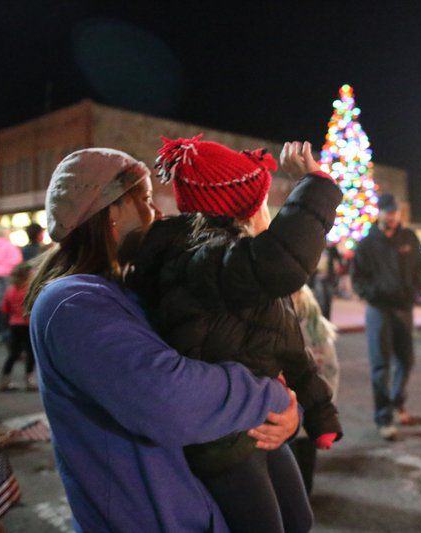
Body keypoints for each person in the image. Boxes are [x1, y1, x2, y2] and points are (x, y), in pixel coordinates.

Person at [26, 147, 300, 532]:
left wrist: (285, 413)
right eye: (144, 200)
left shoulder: (133, 289)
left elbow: (223, 351)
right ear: (107, 213)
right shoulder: (72, 303)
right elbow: (169, 398)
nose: (155, 214)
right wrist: (268, 397)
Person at [127, 136, 342, 532]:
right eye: (258, 200)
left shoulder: (240, 270)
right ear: (239, 210)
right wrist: (317, 185)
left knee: (299, 519)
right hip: (222, 438)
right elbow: (282, 262)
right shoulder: (203, 261)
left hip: (259, 421)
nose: (266, 209)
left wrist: (319, 411)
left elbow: (290, 346)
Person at [351, 193, 421, 440]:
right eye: (388, 211)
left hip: (403, 308)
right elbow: (358, 277)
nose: (392, 216)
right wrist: (371, 294)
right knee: (380, 365)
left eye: (396, 212)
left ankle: (397, 403)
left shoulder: (409, 238)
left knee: (406, 360)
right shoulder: (367, 243)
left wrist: (415, 289)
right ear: (380, 212)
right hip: (379, 309)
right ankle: (383, 418)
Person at [290, 284, 340, 495]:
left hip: (309, 412)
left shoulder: (316, 329)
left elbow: (330, 370)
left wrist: (326, 406)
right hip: (288, 412)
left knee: (304, 467)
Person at [0, 261, 35, 391]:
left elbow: (4, 309)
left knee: (14, 353)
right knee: (31, 353)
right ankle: (29, 381)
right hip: (28, 323)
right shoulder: (30, 289)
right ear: (27, 274)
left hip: (14, 324)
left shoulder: (10, 289)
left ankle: (5, 380)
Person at [0, 225, 22, 344]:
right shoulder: (10, 246)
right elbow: (17, 261)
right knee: (5, 304)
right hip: (6, 277)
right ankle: (4, 332)